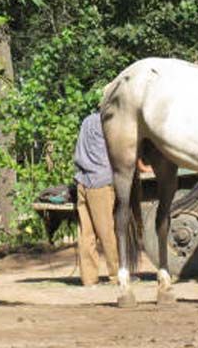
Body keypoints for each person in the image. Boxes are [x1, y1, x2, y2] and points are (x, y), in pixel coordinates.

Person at [74, 112, 118, 286]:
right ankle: (116, 275)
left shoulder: (87, 120)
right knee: (106, 231)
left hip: (82, 181)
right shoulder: (109, 122)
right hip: (100, 182)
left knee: (86, 234)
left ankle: (89, 278)